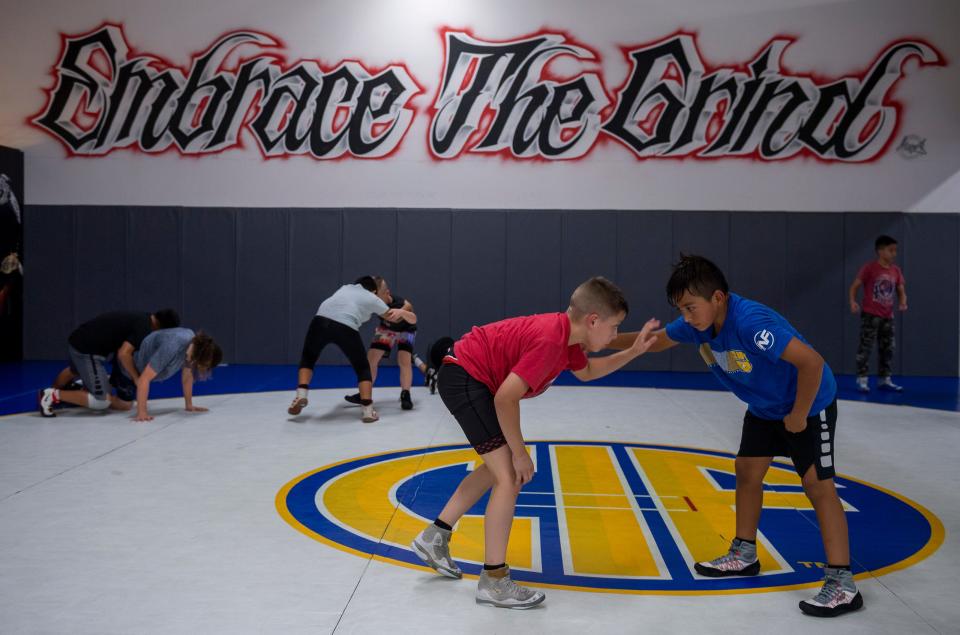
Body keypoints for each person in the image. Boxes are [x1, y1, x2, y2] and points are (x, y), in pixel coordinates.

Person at [610, 255, 861, 618]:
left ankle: (842, 583)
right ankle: (743, 554)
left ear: (718, 298)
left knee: (817, 486)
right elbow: (659, 340)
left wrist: (798, 415)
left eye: (691, 307)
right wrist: (602, 341)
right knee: (746, 471)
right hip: (764, 408)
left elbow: (812, 363)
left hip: (807, 404)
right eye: (681, 308)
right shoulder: (698, 325)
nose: (687, 316)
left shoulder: (752, 323)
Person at [410, 277, 659, 609]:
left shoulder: (566, 340)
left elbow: (588, 373)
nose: (615, 335)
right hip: (466, 378)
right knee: (510, 475)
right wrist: (520, 453)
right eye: (615, 327)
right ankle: (494, 580)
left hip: (467, 375)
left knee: (496, 469)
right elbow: (505, 399)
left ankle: (435, 536)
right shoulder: (550, 341)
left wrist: (632, 351)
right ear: (593, 320)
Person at [288, 276, 414, 423]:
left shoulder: (345, 287)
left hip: (319, 320)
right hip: (345, 325)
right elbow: (395, 318)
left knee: (308, 358)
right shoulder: (373, 298)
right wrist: (405, 313)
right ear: (374, 291)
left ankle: (301, 394)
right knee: (362, 367)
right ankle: (367, 410)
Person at [38, 309, 180, 417]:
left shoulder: (143, 316)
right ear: (162, 328)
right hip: (87, 351)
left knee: (75, 370)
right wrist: (136, 377)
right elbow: (123, 354)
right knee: (101, 401)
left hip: (79, 340)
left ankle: (58, 392)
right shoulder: (144, 327)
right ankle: (51, 395)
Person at [110, 328, 222, 421]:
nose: (200, 369)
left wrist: (189, 405)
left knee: (126, 402)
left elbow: (187, 376)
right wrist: (142, 413)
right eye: (203, 366)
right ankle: (100, 396)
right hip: (126, 369)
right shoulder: (172, 347)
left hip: (139, 369)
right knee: (123, 405)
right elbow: (144, 378)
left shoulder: (192, 345)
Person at [344, 277, 419, 410]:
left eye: (375, 298)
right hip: (387, 328)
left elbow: (412, 316)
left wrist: (403, 311)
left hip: (407, 329)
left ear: (387, 293)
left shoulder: (400, 303)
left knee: (404, 360)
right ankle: (364, 393)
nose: (373, 301)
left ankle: (405, 394)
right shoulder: (374, 303)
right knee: (371, 358)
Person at [849, 235, 907, 393]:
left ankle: (885, 379)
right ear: (880, 251)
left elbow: (901, 290)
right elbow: (855, 286)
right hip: (870, 315)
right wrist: (853, 301)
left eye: (895, 250)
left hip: (888, 317)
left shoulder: (896, 271)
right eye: (891, 250)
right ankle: (862, 379)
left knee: (888, 348)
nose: (894, 253)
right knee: (866, 347)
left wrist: (903, 302)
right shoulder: (869, 268)